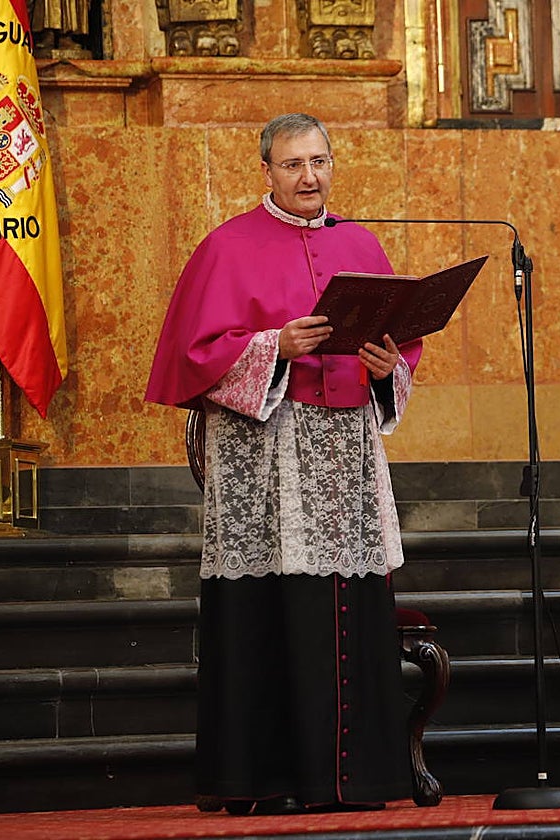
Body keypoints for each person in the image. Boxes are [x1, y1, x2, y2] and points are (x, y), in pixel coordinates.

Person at [145, 113, 421, 815]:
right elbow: (192, 356)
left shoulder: (360, 242)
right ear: (265, 169)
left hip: (344, 454)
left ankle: (358, 778)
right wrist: (275, 347)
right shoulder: (226, 247)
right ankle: (266, 778)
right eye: (294, 164)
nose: (310, 177)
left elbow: (404, 343)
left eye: (320, 162)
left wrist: (389, 364)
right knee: (273, 607)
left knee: (347, 602)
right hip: (268, 456)